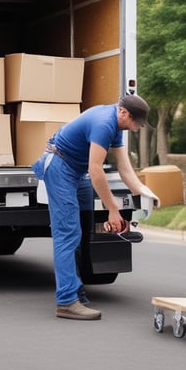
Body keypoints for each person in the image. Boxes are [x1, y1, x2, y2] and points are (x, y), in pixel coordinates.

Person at [32, 94, 160, 320]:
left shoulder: (117, 125)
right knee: (67, 233)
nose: (138, 129)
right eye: (136, 124)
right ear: (123, 113)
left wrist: (144, 191)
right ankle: (66, 302)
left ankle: (75, 289)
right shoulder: (104, 123)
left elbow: (125, 168)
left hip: (76, 170)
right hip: (60, 166)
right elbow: (96, 170)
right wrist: (112, 209)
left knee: (82, 228)